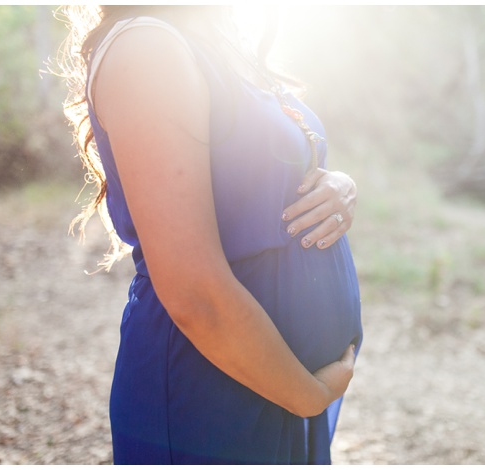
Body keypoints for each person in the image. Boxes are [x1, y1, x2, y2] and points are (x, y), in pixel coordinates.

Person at [60, 5, 362, 464]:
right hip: (209, 390)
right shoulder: (147, 48)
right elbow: (192, 291)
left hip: (274, 379)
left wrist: (338, 184)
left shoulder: (218, 40)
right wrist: (306, 395)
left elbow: (267, 164)